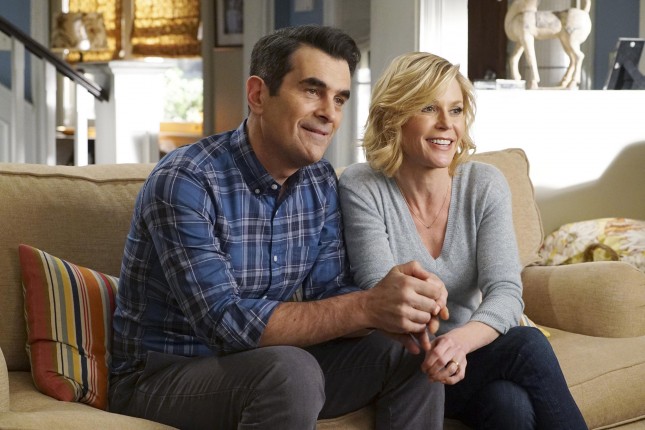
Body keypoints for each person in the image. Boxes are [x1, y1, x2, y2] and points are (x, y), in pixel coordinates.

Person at [109, 26, 446, 430]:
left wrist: (394, 310)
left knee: (413, 355)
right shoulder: (187, 179)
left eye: (339, 98)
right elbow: (223, 321)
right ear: (257, 95)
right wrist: (367, 306)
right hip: (164, 375)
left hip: (270, 364)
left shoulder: (320, 181)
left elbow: (329, 292)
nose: (330, 113)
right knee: (290, 370)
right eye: (312, 91)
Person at [338, 52, 588, 429]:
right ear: (394, 116)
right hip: (405, 363)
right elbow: (382, 290)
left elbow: (506, 290)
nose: (446, 124)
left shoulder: (483, 185)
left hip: (468, 355)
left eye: (455, 110)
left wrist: (460, 343)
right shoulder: (362, 186)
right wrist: (440, 338)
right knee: (528, 345)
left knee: (510, 405)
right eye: (428, 108)